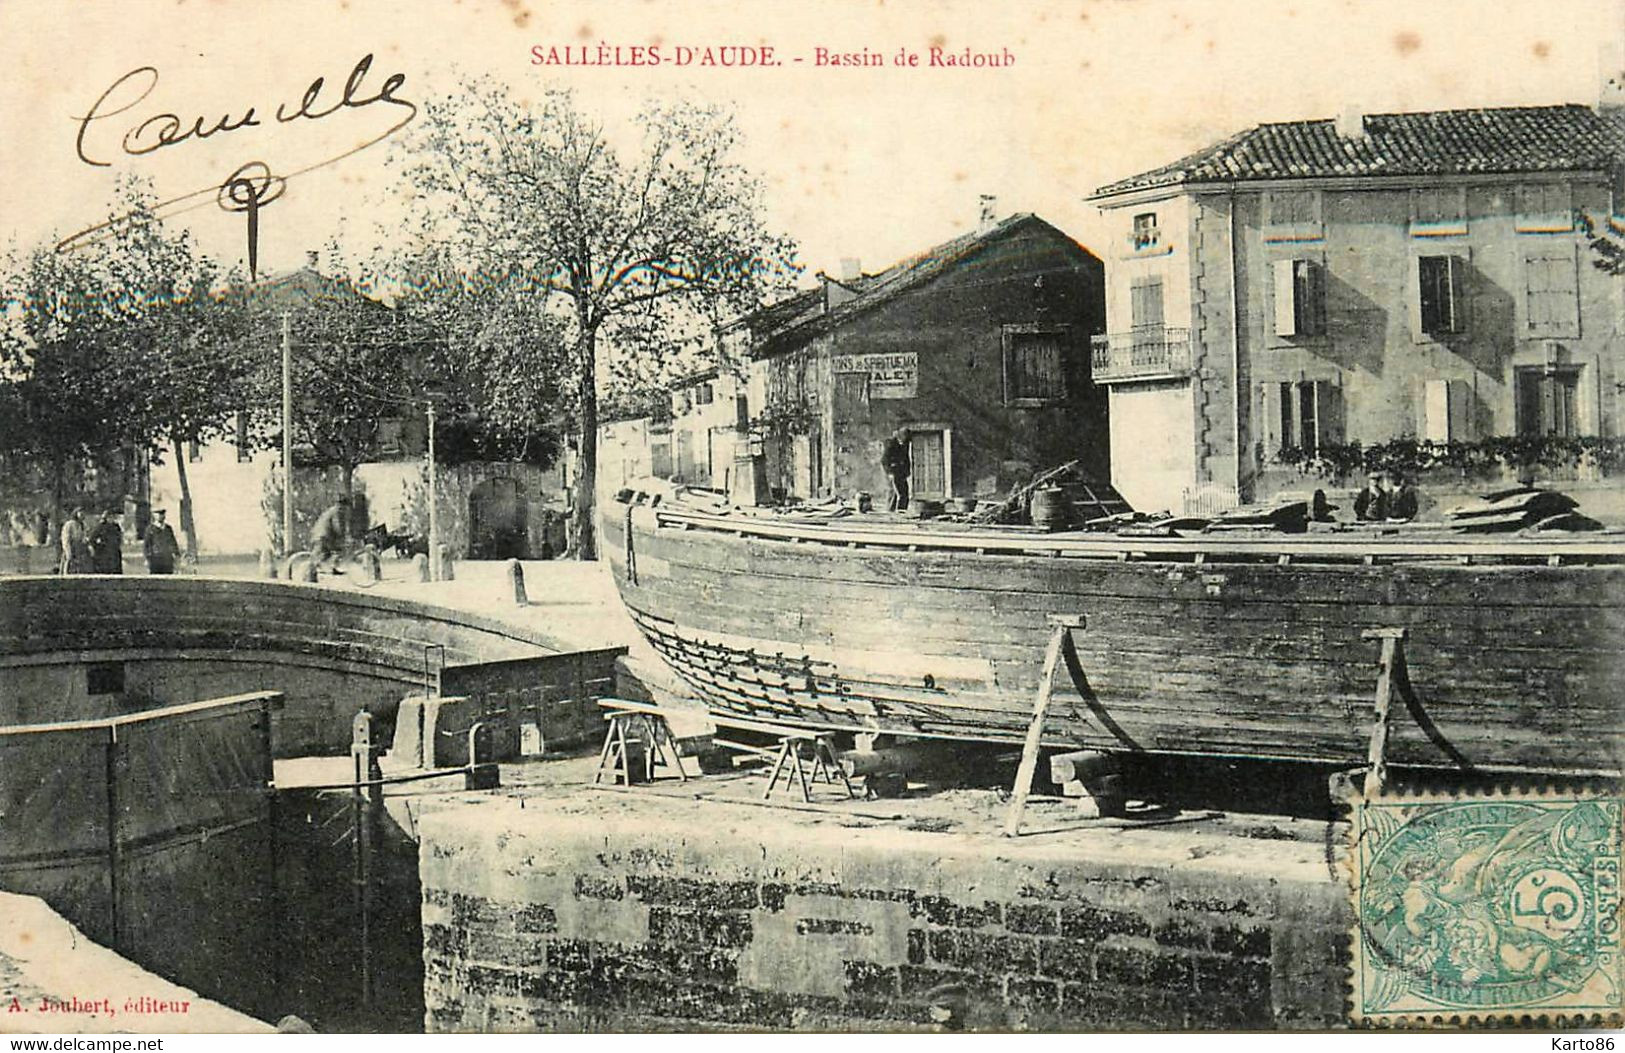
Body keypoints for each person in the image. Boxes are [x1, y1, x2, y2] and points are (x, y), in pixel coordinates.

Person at [309, 499, 349, 575]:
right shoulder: (337, 511)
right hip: (324, 535)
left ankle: (323, 568)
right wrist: (342, 535)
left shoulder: (330, 510)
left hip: (319, 534)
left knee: (323, 553)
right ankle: (313, 570)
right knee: (335, 550)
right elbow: (337, 525)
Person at [881, 428, 912, 512]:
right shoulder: (891, 443)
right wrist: (889, 473)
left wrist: (907, 471)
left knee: (904, 492)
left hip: (901, 472)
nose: (906, 439)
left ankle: (902, 510)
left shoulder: (905, 444)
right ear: (900, 436)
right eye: (905, 436)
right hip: (892, 471)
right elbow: (884, 460)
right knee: (893, 492)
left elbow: (906, 458)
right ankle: (890, 510)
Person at [143, 508, 181, 575]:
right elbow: (146, 545)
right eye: (158, 514)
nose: (161, 516)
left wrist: (176, 554)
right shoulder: (150, 529)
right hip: (155, 559)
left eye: (162, 514)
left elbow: (173, 542)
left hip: (167, 559)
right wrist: (147, 558)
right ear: (154, 515)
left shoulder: (168, 529)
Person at [90, 507, 124, 574]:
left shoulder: (116, 526)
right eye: (109, 517)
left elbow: (119, 537)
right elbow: (92, 539)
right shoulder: (101, 527)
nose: (112, 518)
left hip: (114, 552)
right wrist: (99, 547)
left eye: (113, 516)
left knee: (116, 571)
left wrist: (118, 544)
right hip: (104, 553)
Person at [58, 507, 91, 574]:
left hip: (80, 548)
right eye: (80, 513)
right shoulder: (69, 524)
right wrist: (67, 549)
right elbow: (66, 537)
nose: (82, 515)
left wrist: (87, 543)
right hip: (71, 546)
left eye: (83, 513)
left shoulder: (84, 525)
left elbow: (86, 535)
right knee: (69, 561)